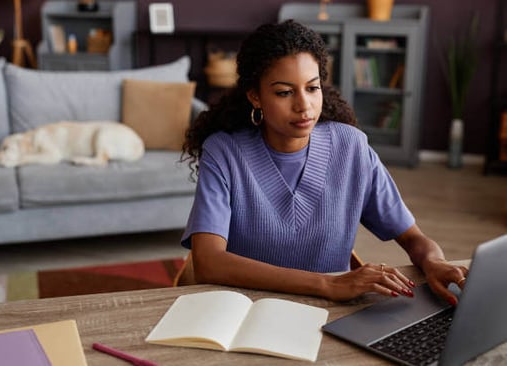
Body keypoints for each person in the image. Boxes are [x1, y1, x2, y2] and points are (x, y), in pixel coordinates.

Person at [180, 20, 468, 304]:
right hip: (243, 311)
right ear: (255, 96)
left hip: (327, 314)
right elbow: (209, 263)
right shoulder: (224, 152)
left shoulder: (351, 146)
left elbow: (413, 238)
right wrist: (327, 283)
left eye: (312, 88)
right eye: (284, 92)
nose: (304, 106)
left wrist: (434, 261)